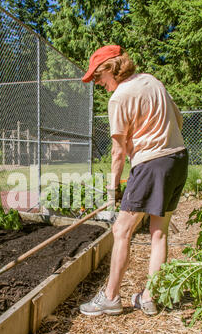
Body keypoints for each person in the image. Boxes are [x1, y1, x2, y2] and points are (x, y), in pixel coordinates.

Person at [79, 45, 188, 316]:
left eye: (98, 78)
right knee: (158, 232)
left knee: (121, 230)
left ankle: (111, 297)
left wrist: (112, 190)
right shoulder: (152, 81)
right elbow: (179, 119)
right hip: (178, 159)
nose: (99, 85)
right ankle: (150, 297)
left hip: (152, 164)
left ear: (109, 69)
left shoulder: (119, 97)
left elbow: (117, 152)